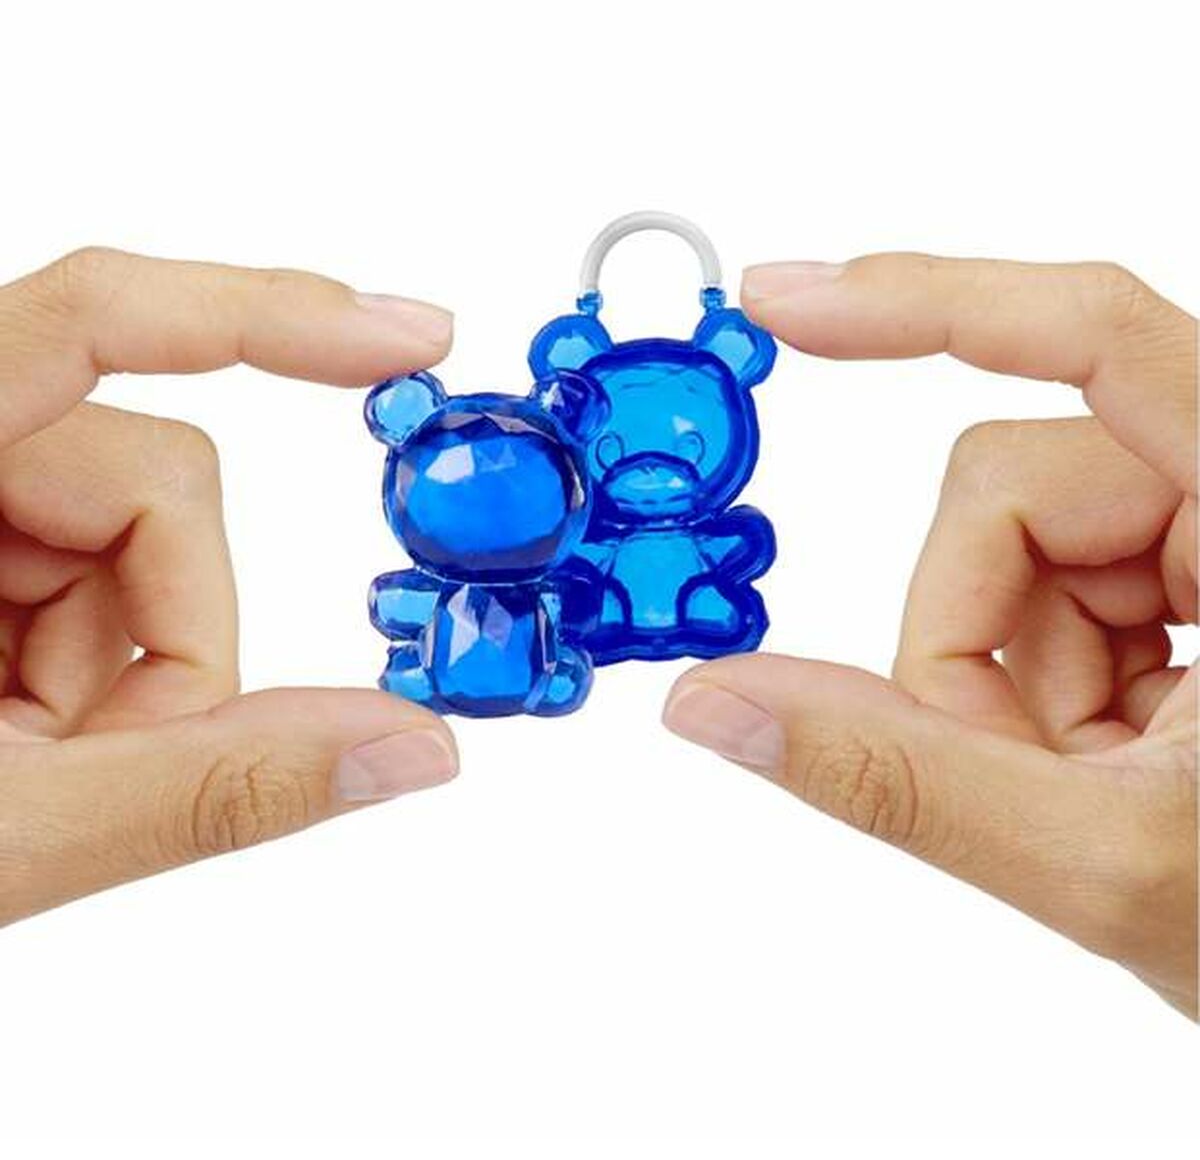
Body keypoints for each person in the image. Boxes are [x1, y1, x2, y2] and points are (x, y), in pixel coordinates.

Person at [0, 246, 1194, 1018]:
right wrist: (449, 626)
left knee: (679, 607)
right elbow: (405, 598)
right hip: (539, 633)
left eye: (687, 443)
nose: (654, 466)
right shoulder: (548, 555)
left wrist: (685, 582)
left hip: (643, 614)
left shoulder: (595, 531)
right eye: (617, 450)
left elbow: (739, 545)